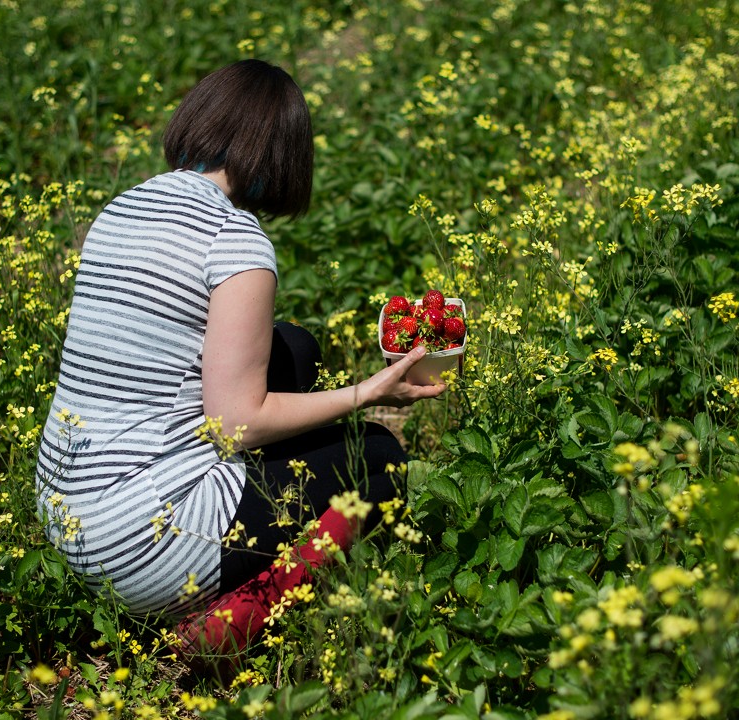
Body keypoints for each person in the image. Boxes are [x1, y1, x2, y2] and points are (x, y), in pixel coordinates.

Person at [35, 59, 444, 663]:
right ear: (283, 156)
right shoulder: (234, 239)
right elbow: (238, 423)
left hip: (67, 517)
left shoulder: (122, 206)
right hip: (144, 543)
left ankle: (213, 559)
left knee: (294, 347)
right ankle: (224, 623)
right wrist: (368, 393)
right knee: (379, 461)